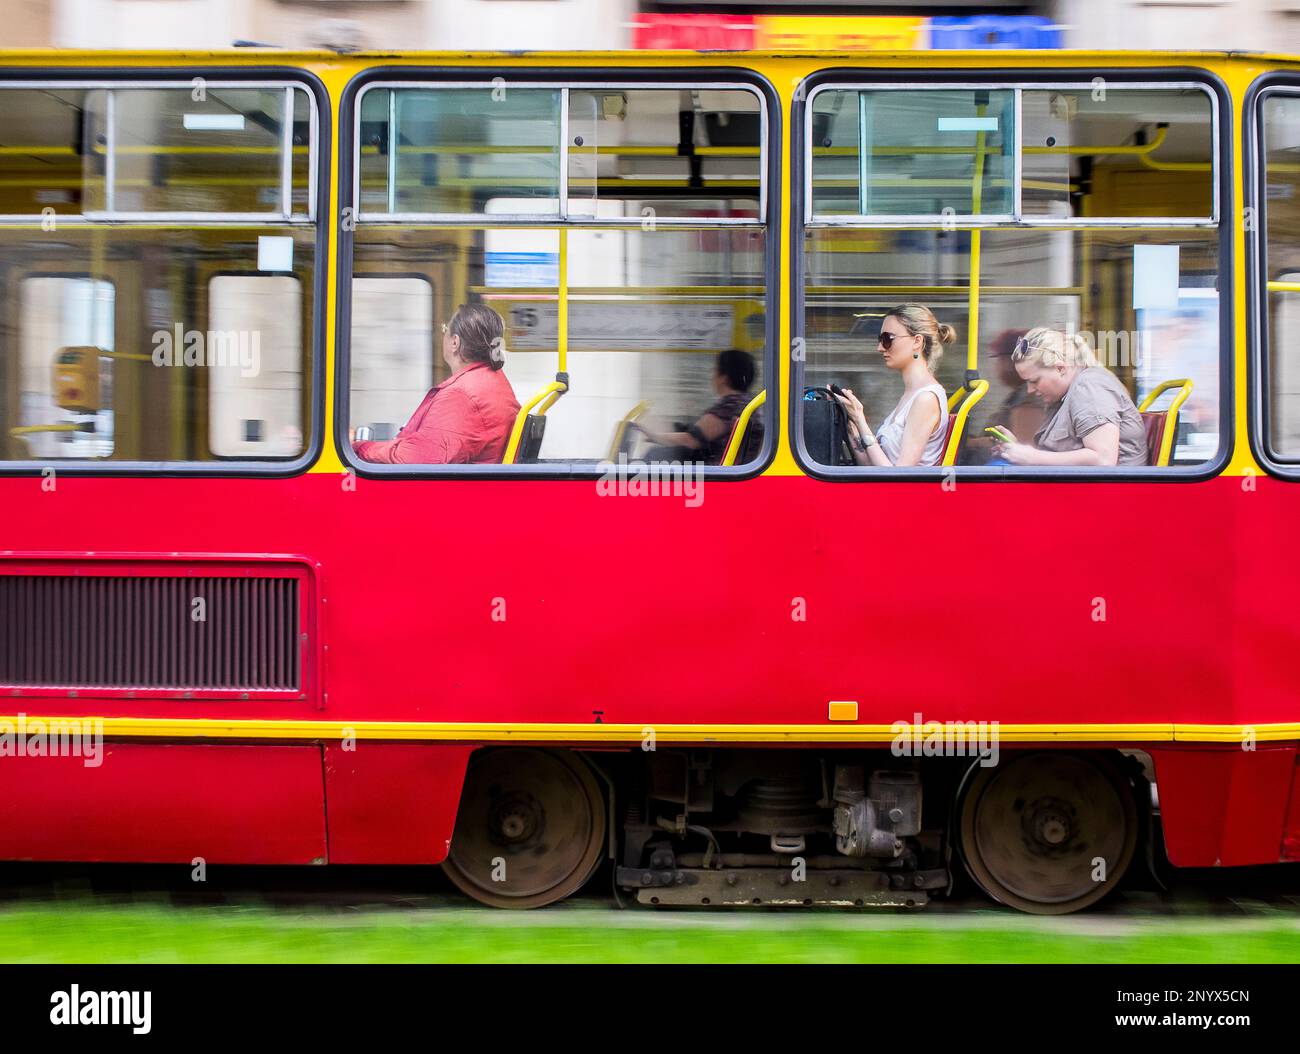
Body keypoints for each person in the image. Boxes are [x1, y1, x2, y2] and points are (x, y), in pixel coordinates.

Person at [353, 304, 520, 465]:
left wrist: (359, 447)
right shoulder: (493, 381)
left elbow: (417, 458)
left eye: (445, 329)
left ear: (455, 342)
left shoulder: (462, 395)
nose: (443, 335)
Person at [992, 326, 1148, 467]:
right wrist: (1019, 450)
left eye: (1034, 381)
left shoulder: (1089, 387)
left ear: (1060, 368)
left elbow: (1103, 459)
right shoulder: (1065, 396)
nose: (1030, 390)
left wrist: (1032, 456)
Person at [832, 304, 954, 467]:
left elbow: (899, 476)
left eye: (887, 339)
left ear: (917, 341)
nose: (880, 348)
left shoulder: (926, 399)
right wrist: (852, 425)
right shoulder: (910, 395)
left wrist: (860, 419)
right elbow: (873, 466)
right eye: (880, 340)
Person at [633, 348, 759, 465]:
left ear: (723, 379)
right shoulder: (747, 404)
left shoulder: (729, 407)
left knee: (654, 455)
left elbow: (691, 440)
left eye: (715, 370)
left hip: (714, 477)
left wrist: (654, 435)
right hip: (727, 471)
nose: (712, 376)